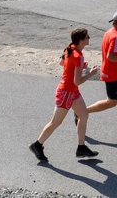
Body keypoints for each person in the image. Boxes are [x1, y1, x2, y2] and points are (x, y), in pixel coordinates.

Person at [29, 28, 100, 163]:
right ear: (81, 40)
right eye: (87, 37)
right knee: (56, 122)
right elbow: (77, 81)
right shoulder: (78, 55)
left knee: (83, 115)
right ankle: (37, 145)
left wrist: (79, 67)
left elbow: (62, 63)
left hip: (71, 91)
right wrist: (91, 73)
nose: (89, 38)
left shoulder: (69, 48)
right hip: (67, 92)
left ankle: (81, 147)